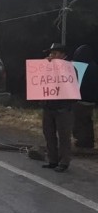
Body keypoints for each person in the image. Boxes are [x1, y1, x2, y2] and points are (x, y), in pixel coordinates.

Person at [40, 43, 76, 172]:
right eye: (50, 54)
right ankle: (52, 160)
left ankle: (64, 161)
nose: (51, 56)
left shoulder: (71, 67)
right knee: (48, 134)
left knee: (64, 136)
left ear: (62, 55)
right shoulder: (48, 67)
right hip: (49, 106)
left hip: (63, 108)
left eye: (54, 54)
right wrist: (44, 66)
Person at [72, 44, 97, 149]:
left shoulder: (79, 67)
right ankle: (89, 141)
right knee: (87, 120)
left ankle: (82, 143)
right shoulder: (94, 66)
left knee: (79, 121)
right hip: (91, 100)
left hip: (81, 99)